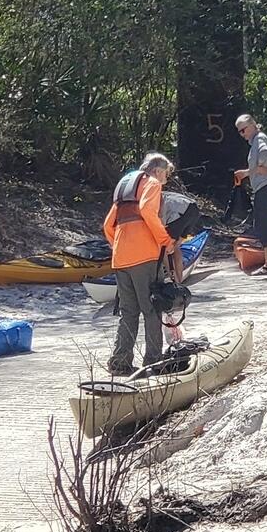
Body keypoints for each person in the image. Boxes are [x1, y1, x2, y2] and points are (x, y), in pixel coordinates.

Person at [102, 153, 183, 376]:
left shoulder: (125, 189)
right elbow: (147, 210)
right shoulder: (152, 183)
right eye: (166, 174)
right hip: (144, 258)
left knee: (128, 311)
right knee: (151, 309)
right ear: (157, 170)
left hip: (120, 258)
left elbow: (108, 226)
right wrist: (164, 241)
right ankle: (153, 362)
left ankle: (120, 363)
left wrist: (122, 246)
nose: (165, 180)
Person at [234, 114, 267, 275]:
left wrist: (246, 173)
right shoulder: (255, 141)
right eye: (239, 131)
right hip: (263, 187)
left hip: (266, 186)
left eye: (244, 129)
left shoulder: (260, 140)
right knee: (262, 225)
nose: (242, 134)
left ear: (253, 125)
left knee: (262, 225)